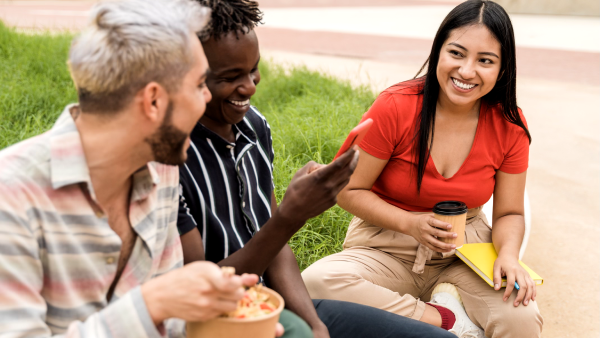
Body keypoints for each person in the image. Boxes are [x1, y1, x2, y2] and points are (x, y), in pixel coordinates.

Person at [0, 0, 286, 336]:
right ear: (153, 102)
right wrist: (152, 302)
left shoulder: (159, 170)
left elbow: (167, 321)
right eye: (198, 85)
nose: (206, 98)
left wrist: (222, 325)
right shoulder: (12, 198)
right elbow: (155, 306)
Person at [177, 1, 456, 338]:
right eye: (230, 77)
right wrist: (290, 218)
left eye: (253, 70)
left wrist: (315, 325)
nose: (250, 86)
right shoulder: (171, 158)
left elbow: (276, 249)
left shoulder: (253, 126)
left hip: (273, 304)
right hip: (217, 321)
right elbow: (197, 290)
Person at [301, 1, 544, 337]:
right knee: (315, 282)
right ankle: (446, 320)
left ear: (502, 69)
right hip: (387, 246)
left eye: (485, 61)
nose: (467, 71)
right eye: (457, 53)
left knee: (521, 317)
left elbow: (510, 213)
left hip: (466, 254)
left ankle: (447, 298)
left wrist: (508, 256)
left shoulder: (509, 124)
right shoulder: (396, 105)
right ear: (438, 52)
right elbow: (348, 190)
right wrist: (411, 223)